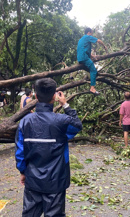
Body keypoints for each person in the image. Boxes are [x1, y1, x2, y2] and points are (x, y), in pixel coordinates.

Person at [15, 78, 83, 216]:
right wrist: (65, 105)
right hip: (56, 181)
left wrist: (23, 172)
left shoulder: (25, 122)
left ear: (35, 95)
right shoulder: (61, 121)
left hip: (32, 179)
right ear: (54, 96)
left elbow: (20, 151)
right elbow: (77, 125)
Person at [77, 27, 108, 95]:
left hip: (80, 58)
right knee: (93, 71)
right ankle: (92, 88)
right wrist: (104, 46)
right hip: (84, 57)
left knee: (91, 70)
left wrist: (92, 56)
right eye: (91, 33)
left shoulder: (81, 39)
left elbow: (84, 49)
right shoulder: (87, 37)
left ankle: (90, 80)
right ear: (89, 32)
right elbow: (99, 40)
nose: (91, 35)